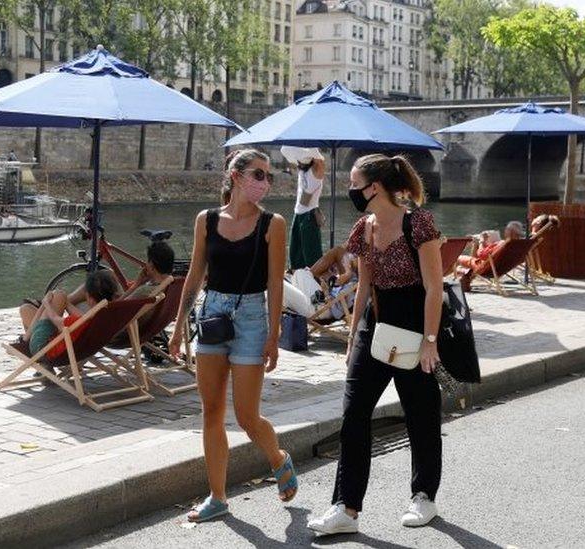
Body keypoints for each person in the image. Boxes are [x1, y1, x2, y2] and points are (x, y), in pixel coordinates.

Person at [308, 154, 445, 535]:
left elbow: (434, 288)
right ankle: (346, 509)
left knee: (421, 413)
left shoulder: (418, 224)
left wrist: (430, 340)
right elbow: (365, 286)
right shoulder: (363, 228)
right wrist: (353, 337)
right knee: (354, 414)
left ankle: (424, 496)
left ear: (374, 187)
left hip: (415, 324)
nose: (350, 189)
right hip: (376, 323)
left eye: (354, 183)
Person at [168, 148, 296, 523]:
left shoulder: (273, 223)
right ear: (235, 176)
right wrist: (178, 325)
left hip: (253, 319)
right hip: (212, 316)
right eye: (259, 174)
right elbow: (194, 276)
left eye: (268, 177)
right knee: (210, 411)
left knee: (246, 416)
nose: (265, 183)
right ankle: (218, 497)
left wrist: (274, 335)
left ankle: (277, 458)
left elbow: (275, 284)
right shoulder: (206, 220)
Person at [19, 270, 120, 364]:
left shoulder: (77, 320)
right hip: (72, 346)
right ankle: (26, 338)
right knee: (27, 308)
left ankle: (25, 339)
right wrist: (65, 302)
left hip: (42, 348)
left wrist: (46, 304)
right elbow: (80, 317)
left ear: (89, 298)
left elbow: (55, 319)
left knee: (33, 305)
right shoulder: (104, 315)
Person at [282, 146, 326, 269]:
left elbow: (320, 160)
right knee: (295, 253)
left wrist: (310, 147)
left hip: (310, 214)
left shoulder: (316, 170)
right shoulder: (303, 170)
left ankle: (316, 280)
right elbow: (284, 150)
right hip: (298, 214)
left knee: (312, 256)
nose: (299, 162)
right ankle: (295, 276)